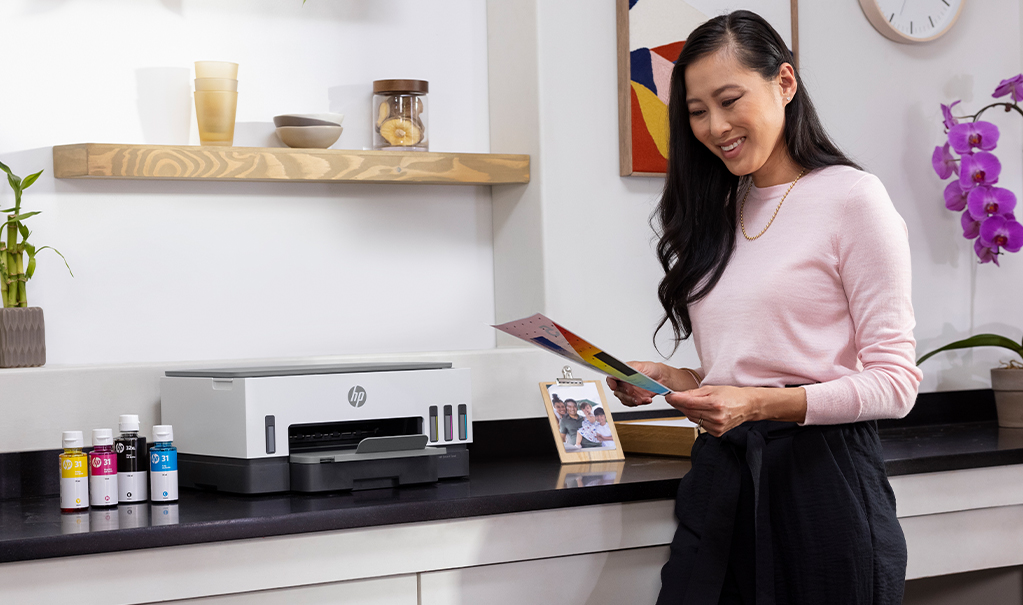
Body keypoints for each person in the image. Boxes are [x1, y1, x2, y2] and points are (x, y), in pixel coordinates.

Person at [606, 11, 921, 605]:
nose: (714, 126)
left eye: (729, 100)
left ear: (784, 82)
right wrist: (684, 380)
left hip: (822, 484)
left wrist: (755, 403)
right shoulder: (719, 211)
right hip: (723, 481)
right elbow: (752, 368)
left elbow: (895, 383)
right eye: (696, 112)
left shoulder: (854, 199)